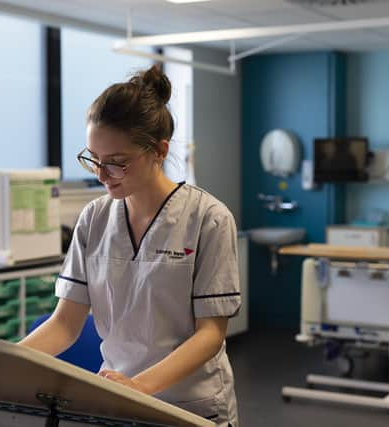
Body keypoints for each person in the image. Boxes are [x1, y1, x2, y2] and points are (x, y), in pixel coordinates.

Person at [19, 65, 240, 426]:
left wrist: (138, 386)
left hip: (189, 406)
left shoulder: (208, 219)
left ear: (158, 150)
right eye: (94, 159)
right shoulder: (94, 218)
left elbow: (210, 336)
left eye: (117, 163)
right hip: (116, 398)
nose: (102, 175)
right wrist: (1, 364)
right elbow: (65, 323)